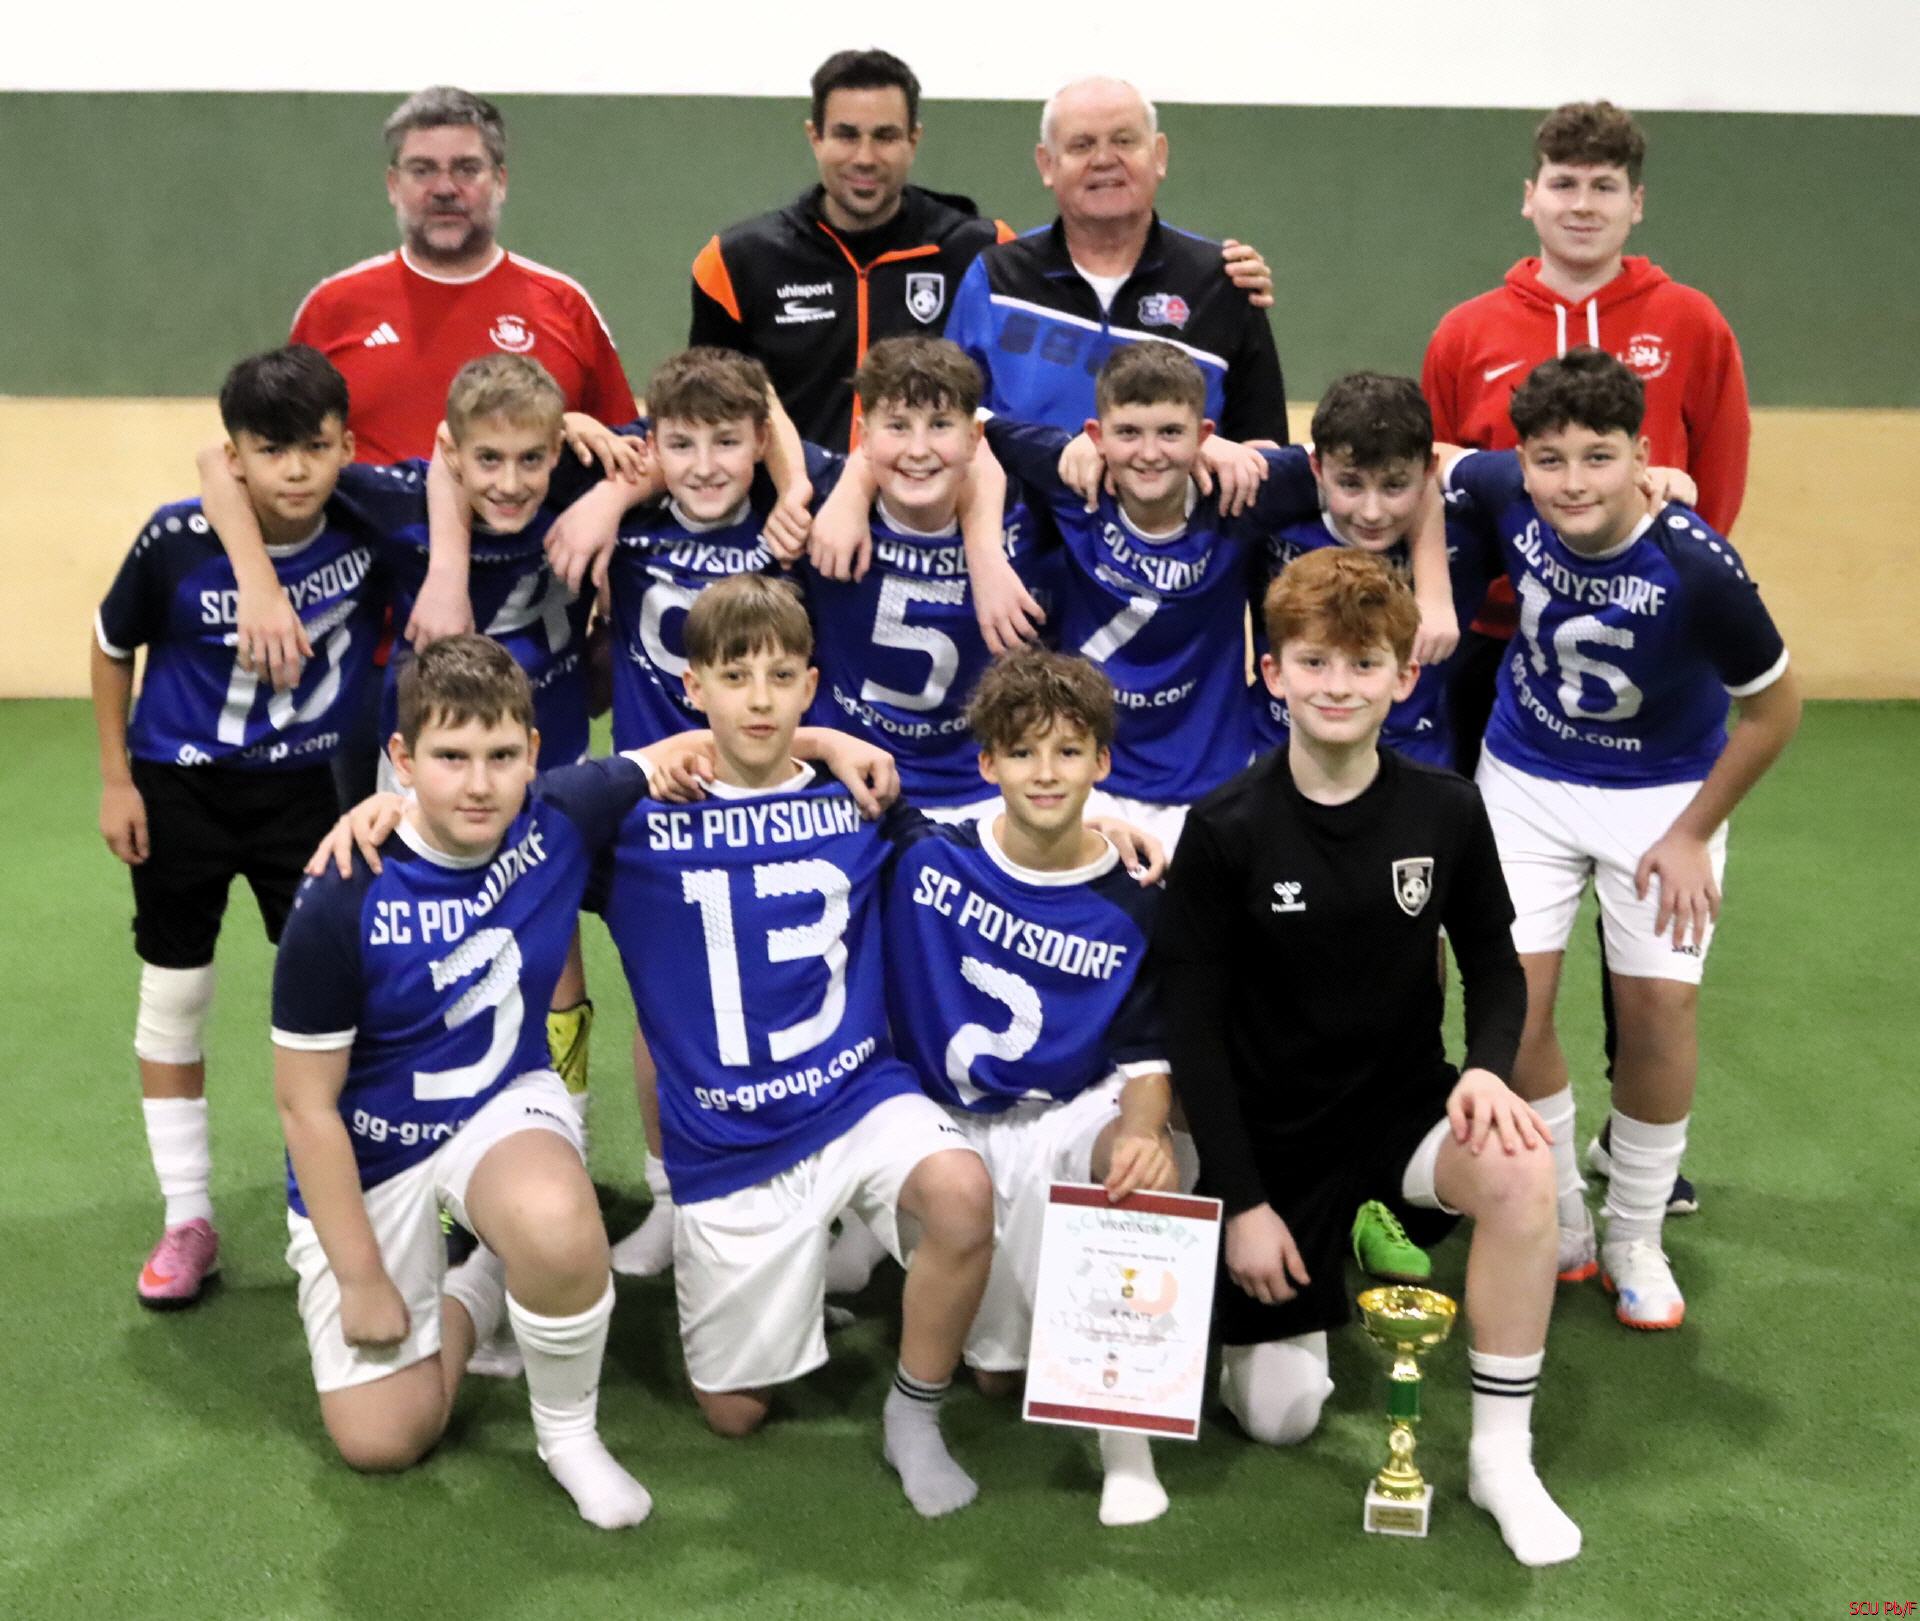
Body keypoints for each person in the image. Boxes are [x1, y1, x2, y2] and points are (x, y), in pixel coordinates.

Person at [1154, 547, 1581, 1567]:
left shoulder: (1446, 809)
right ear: (1274, 673)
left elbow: (1497, 966)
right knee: (1281, 1415)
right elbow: (1193, 1032)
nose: (1337, 685)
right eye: (1313, 662)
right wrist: (1244, 1202)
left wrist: (1485, 1068)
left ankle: (1502, 1457)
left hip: (1401, 1112)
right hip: (1276, 1139)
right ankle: (1309, 1258)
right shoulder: (1224, 829)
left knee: (1522, 1169)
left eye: (1362, 663)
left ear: (1403, 675)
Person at [591, 574, 997, 1518]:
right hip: (729, 1138)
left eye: (782, 677)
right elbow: (515, 814)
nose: (761, 699)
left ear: (813, 684)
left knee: (961, 1193)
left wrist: (1097, 832)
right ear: (693, 686)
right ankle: (802, 1270)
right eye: (735, 677)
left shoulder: (860, 800)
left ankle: (913, 1411)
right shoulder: (635, 820)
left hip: (856, 1097)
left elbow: (988, 853)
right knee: (735, 1412)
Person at [1423, 101, 1753, 1210]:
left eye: (1604, 186)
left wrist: (1663, 592)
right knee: (1500, 917)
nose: (1581, 203)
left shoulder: (1691, 322)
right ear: (1530, 196)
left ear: (1635, 203)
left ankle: (1635, 1147)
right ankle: (1518, 1147)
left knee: (1644, 939)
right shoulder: (1469, 328)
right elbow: (1439, 475)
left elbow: (1719, 476)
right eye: (1563, 182)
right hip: (1495, 655)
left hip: (1646, 667)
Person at [1444, 348, 1798, 1328]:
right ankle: (1561, 1213)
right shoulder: (1502, 486)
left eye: (1599, 457)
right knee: (1514, 1005)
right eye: (1549, 459)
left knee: (1657, 1012)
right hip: (1526, 779)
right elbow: (1434, 463)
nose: (1572, 482)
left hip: (1664, 796)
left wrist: (1691, 835)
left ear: (1644, 456)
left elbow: (1775, 711)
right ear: (1522, 458)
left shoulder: (1695, 563)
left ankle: (1636, 1229)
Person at [270, 635, 655, 1526]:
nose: (479, 783)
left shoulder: (559, 813)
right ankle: (479, 1284)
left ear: (533, 751)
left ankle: (569, 1435)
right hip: (371, 1153)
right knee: (383, 1440)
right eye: (450, 757)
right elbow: (305, 1106)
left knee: (558, 1222)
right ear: (402, 760)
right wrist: (362, 1279)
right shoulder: (342, 892)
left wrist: (830, 743)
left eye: (501, 755)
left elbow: (688, 750)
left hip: (498, 1105)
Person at [93, 346, 389, 1311]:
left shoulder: (369, 524)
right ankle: (188, 1216)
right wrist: (115, 781)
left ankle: (349, 1193)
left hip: (307, 794)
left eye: (315, 447)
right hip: (178, 788)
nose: (295, 470)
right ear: (236, 456)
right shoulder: (176, 538)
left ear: (346, 445)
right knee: (176, 989)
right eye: (271, 450)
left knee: (342, 991)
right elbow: (110, 644)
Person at [882, 645, 1183, 1526]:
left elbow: (1147, 1061)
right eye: (1022, 752)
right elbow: (814, 767)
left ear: (1102, 762)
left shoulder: (1138, 896)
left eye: (1067, 751)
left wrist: (1143, 1132)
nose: (1045, 772)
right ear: (987, 765)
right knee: (994, 1378)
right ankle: (889, 1293)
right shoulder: (924, 853)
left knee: (1145, 1165)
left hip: (1059, 1117)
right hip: (938, 1122)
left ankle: (1126, 1449)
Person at [971, 343, 1452, 851]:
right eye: (1128, 433)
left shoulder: (1241, 488)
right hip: (1091, 777)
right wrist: (985, 559)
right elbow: (968, 428)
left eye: (1171, 433)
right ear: (1097, 435)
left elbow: (1403, 470)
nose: (1150, 454)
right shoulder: (1070, 471)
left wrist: (1435, 589)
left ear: (1202, 435)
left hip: (1213, 779)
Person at [692, 51, 1273, 452]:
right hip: (793, 525)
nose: (865, 156)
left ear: (914, 140)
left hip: (944, 529)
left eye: (886, 135)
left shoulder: (980, 251)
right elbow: (710, 416)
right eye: (846, 134)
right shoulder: (737, 262)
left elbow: (1265, 450)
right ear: (814, 136)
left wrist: (1224, 276)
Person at [944, 77, 1288, 448]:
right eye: (1082, 145)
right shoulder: (996, 280)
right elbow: (950, 424)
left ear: (1159, 155)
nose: (1104, 160)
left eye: (1124, 141)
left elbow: (1263, 450)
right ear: (1047, 164)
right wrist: (1053, 457)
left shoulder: (1222, 283)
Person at [804, 338, 1048, 814]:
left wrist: (985, 550)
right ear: (864, 437)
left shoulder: (1030, 516)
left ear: (974, 438)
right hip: (844, 783)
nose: (918, 450)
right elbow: (726, 418)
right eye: (897, 426)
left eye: (940, 425)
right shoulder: (819, 501)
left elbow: (1112, 457)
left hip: (984, 792)